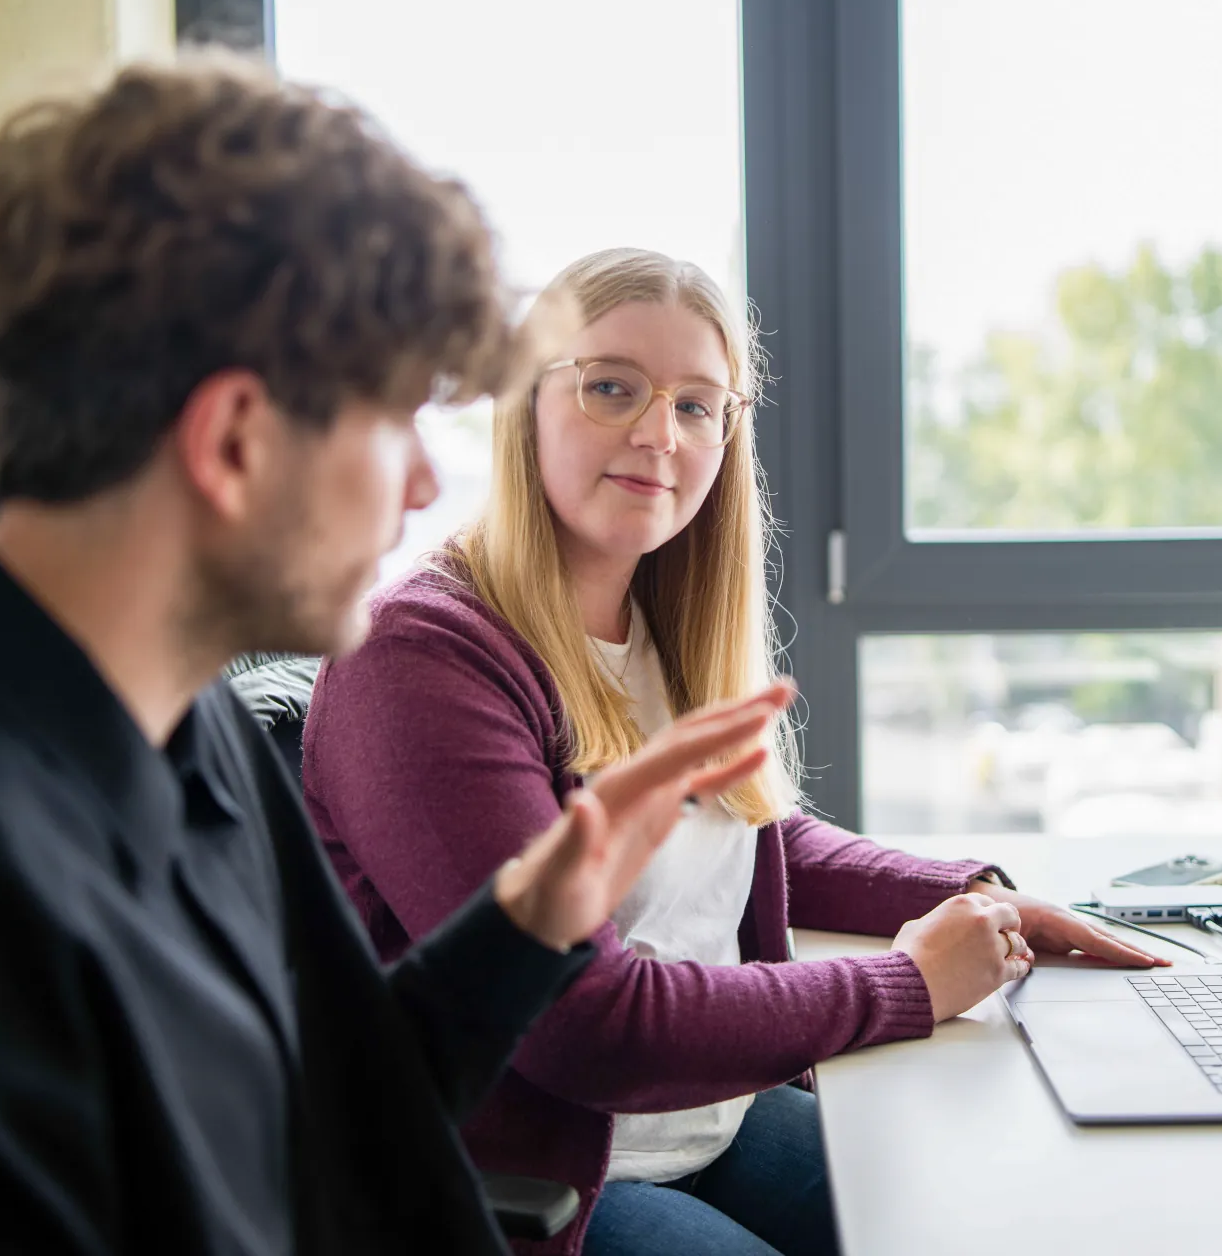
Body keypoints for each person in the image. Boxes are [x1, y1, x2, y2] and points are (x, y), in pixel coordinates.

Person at [0, 64, 795, 1255]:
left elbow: (323, 1113)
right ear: (233, 441)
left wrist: (524, 929)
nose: (422, 485)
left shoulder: (182, 721)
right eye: (393, 419)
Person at [301, 248, 1167, 1256]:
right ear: (523, 402)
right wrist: (906, 982)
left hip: (708, 1117)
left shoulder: (656, 618)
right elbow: (578, 1021)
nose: (659, 434)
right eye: (612, 386)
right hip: (540, 1174)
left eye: (697, 405)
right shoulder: (421, 657)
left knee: (991, 1220)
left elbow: (751, 837)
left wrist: (974, 894)